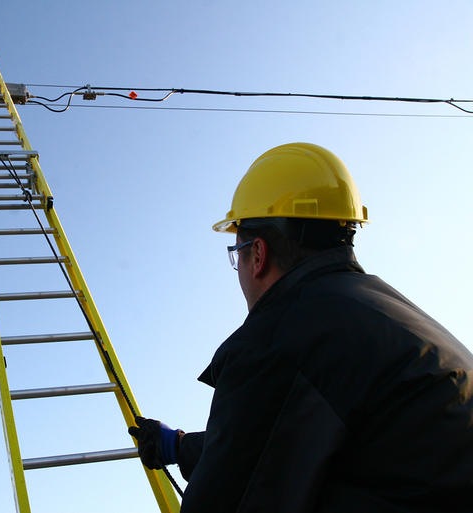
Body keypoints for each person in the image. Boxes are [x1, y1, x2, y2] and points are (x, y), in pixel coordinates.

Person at [128, 142, 473, 513]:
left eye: (237, 253)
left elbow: (238, 491)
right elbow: (289, 434)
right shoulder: (385, 316)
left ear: (257, 254)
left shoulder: (279, 338)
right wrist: (180, 448)